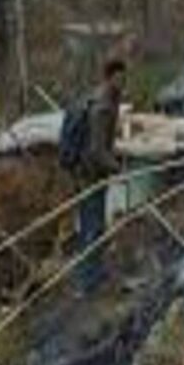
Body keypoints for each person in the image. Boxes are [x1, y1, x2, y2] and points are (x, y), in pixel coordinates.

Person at [76, 57, 126, 293]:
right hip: (90, 175)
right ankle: (87, 283)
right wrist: (117, 168)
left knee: (95, 225)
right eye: (119, 76)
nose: (123, 80)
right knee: (91, 227)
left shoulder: (108, 99)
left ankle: (95, 274)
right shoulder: (102, 106)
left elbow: (105, 143)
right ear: (110, 77)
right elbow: (97, 150)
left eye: (124, 76)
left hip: (94, 173)